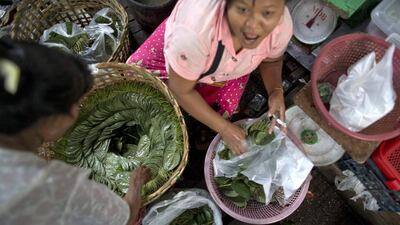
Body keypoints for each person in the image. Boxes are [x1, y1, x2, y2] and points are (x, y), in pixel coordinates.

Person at [0, 39, 150, 225]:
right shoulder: (51, 187)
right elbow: (124, 217)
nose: (79, 107)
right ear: (50, 120)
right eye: (77, 103)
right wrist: (135, 184)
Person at [127, 0, 292, 155]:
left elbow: (272, 60)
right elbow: (180, 90)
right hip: (180, 59)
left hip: (228, 68)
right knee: (135, 83)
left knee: (223, 108)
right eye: (243, 9)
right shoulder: (194, 33)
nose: (253, 27)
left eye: (268, 13)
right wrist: (224, 129)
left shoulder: (282, 27)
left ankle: (203, 119)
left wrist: (275, 91)